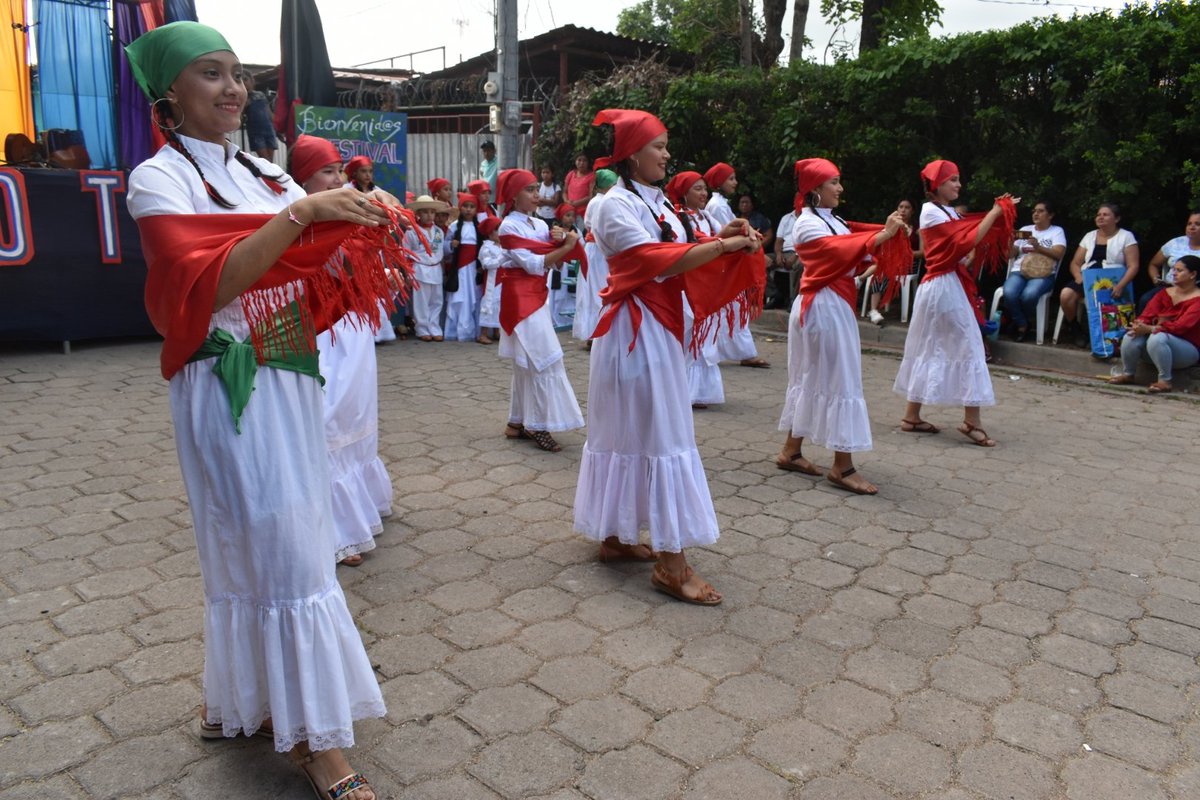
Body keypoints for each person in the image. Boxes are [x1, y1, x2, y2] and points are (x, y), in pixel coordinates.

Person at [124, 22, 392, 799]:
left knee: (280, 535)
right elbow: (217, 281)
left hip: (288, 368)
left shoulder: (265, 174)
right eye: (211, 74)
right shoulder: (157, 182)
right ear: (169, 95)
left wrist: (372, 222)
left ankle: (236, 701)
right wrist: (307, 217)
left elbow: (305, 264)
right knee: (271, 542)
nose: (235, 88)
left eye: (238, 74)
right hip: (225, 379)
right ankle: (315, 740)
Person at [576, 108, 763, 606]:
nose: (666, 154)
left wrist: (720, 237)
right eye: (658, 146)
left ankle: (615, 538)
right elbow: (655, 261)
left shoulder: (657, 202)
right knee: (662, 432)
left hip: (657, 329)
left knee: (633, 428)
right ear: (632, 153)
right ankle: (671, 564)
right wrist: (723, 246)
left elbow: (681, 243)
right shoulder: (612, 206)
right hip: (635, 334)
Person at [289, 135, 396, 568]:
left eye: (339, 170)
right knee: (329, 417)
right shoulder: (298, 218)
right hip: (323, 331)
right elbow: (339, 264)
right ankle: (334, 530)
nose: (340, 179)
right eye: (328, 172)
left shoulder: (345, 209)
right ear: (304, 180)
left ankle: (362, 503)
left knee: (355, 410)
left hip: (353, 329)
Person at [778, 159, 909, 495]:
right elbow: (840, 251)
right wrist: (883, 234)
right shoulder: (806, 225)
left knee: (814, 377)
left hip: (829, 306)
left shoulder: (831, 220)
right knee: (841, 380)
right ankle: (842, 467)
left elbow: (856, 243)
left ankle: (791, 451)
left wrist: (885, 234)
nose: (840, 188)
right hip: (822, 308)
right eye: (834, 182)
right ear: (815, 190)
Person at [893, 159, 1018, 447]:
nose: (959, 184)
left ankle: (912, 416)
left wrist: (998, 214)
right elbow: (966, 239)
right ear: (937, 185)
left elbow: (968, 236)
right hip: (942, 288)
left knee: (928, 346)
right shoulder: (930, 212)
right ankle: (971, 422)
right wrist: (996, 211)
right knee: (970, 344)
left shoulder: (944, 211)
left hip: (944, 286)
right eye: (953, 180)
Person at [495, 168, 586, 452]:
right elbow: (534, 264)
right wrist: (567, 244)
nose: (537, 195)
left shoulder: (539, 225)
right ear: (513, 196)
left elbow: (554, 261)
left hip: (537, 297)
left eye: (537, 189)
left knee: (529, 360)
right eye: (530, 190)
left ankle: (517, 422)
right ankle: (537, 425)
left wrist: (560, 241)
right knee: (543, 359)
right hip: (521, 299)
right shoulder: (508, 226)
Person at [666, 170, 725, 408]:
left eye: (704, 188)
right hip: (688, 284)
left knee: (706, 336)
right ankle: (682, 389)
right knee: (688, 333)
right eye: (697, 189)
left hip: (708, 283)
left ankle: (699, 391)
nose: (704, 193)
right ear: (684, 192)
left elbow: (719, 238)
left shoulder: (707, 217)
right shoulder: (678, 217)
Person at [703, 162, 769, 368]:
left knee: (732, 305)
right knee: (733, 304)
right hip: (726, 261)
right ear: (719, 182)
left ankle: (739, 350)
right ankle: (739, 351)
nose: (735, 182)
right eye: (731, 178)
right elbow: (729, 233)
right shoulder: (718, 206)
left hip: (728, 259)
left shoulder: (720, 204)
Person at [1109, 255, 1200, 393]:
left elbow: (1181, 327)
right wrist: (1139, 326)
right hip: (1158, 347)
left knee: (1158, 337)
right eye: (1173, 269)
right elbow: (1146, 315)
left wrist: (1151, 328)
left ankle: (1165, 381)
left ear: (1193, 274)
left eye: (1179, 270)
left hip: (1186, 351)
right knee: (1131, 335)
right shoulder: (1164, 293)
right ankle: (1128, 374)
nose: (1174, 273)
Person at [1060, 202, 1139, 348]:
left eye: (1105, 214)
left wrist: (1121, 285)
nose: (1100, 217)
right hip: (1088, 277)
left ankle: (1110, 341)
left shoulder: (1126, 236)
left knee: (1110, 306)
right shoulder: (1089, 236)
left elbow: (1133, 266)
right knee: (1066, 295)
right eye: (1098, 214)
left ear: (1116, 219)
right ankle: (1075, 328)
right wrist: (1079, 277)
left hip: (1114, 280)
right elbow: (1075, 263)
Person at [1000, 200, 1067, 341]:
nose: (1036, 214)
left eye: (1041, 211)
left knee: (1029, 295)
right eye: (1034, 211)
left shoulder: (1056, 231)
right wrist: (1009, 242)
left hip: (1043, 273)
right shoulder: (1025, 229)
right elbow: (1011, 255)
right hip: (1020, 270)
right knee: (1009, 292)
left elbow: (1059, 254)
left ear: (1050, 215)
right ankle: (1023, 324)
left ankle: (1017, 325)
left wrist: (1039, 247)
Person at [572, 168, 618, 346]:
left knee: (597, 289)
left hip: (600, 250)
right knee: (597, 290)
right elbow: (598, 227)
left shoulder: (601, 200)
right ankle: (595, 333)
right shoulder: (600, 202)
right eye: (612, 185)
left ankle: (598, 332)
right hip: (598, 251)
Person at [866, 199, 923, 324]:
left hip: (909, 263)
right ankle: (874, 310)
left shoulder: (918, 229)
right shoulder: (892, 226)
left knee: (886, 268)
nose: (903, 210)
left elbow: (922, 252)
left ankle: (861, 282)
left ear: (912, 211)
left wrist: (906, 253)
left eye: (907, 207)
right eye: (900, 207)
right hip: (891, 262)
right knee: (883, 269)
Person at [406, 194, 449, 341]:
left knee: (437, 301)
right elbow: (406, 251)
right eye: (425, 212)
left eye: (432, 212)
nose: (429, 215)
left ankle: (434, 327)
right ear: (418, 214)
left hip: (435, 269)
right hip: (420, 269)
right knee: (421, 301)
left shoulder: (439, 231)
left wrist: (443, 271)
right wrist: (408, 271)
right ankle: (422, 328)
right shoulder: (411, 231)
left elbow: (440, 253)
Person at [1139, 211, 1200, 312]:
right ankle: (1141, 326)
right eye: (1189, 224)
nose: (1192, 227)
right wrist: (1156, 279)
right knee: (1146, 299)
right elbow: (1153, 264)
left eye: (1197, 224)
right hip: (1170, 287)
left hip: (1195, 289)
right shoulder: (1175, 243)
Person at [444, 192, 484, 342]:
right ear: (460, 208)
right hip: (459, 269)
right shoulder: (454, 227)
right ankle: (455, 331)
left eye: (472, 207)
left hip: (474, 268)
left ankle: (474, 332)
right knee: (459, 298)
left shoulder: (480, 228)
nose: (468, 209)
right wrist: (451, 245)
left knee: (474, 297)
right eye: (465, 206)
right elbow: (445, 249)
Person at [548, 202, 582, 330]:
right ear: (561, 217)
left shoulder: (576, 231)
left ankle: (570, 319)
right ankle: (557, 318)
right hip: (560, 266)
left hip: (572, 266)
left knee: (571, 292)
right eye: (567, 215)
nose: (570, 218)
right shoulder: (557, 231)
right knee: (559, 293)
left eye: (573, 216)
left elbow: (581, 245)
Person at [476, 215, 503, 343]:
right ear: (490, 232)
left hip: (503, 280)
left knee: (500, 304)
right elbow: (486, 264)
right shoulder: (486, 247)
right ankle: (483, 333)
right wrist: (501, 259)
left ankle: (497, 331)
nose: (500, 233)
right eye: (497, 230)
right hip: (492, 280)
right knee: (489, 304)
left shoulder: (503, 246)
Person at [771, 205, 799, 310]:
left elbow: (809, 242)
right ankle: (776, 295)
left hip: (799, 253)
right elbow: (779, 240)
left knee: (799, 266)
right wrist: (778, 254)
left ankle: (794, 300)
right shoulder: (786, 218)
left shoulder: (810, 218)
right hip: (783, 251)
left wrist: (796, 255)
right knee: (761, 261)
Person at [243, 73, 276, 161]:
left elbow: (268, 112)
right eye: (240, 80)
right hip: (256, 132)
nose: (244, 82)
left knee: (270, 162)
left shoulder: (261, 94)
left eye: (245, 79)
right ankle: (267, 174)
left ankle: (270, 174)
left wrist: (277, 126)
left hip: (269, 129)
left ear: (252, 80)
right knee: (265, 160)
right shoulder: (242, 97)